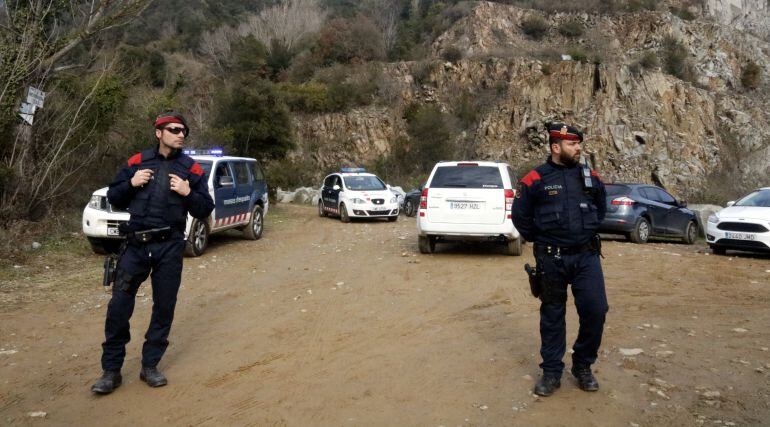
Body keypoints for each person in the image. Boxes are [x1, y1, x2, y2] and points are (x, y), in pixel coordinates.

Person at [91, 111, 214, 394]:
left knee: (164, 307)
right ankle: (111, 371)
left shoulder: (192, 169)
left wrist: (187, 192)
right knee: (118, 307)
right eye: (174, 130)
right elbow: (114, 197)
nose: (181, 135)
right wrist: (131, 183)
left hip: (170, 247)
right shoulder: (137, 162)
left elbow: (205, 208)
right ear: (159, 133)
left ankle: (150, 366)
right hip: (135, 245)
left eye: (183, 131)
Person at [512, 122, 608, 397]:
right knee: (553, 315)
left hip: (586, 256)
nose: (577, 148)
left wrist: (586, 231)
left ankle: (582, 365)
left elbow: (601, 208)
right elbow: (519, 216)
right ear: (556, 147)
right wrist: (543, 239)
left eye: (578, 144)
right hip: (551, 258)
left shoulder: (590, 177)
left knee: (596, 310)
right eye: (572, 144)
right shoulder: (535, 179)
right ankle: (552, 372)